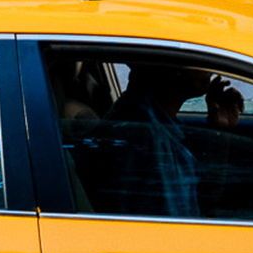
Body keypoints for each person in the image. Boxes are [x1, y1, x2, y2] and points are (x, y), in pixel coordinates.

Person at [105, 64, 244, 218]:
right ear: (171, 70)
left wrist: (220, 131)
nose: (207, 66)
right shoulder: (143, 134)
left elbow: (200, 198)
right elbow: (177, 216)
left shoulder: (157, 124)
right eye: (192, 57)